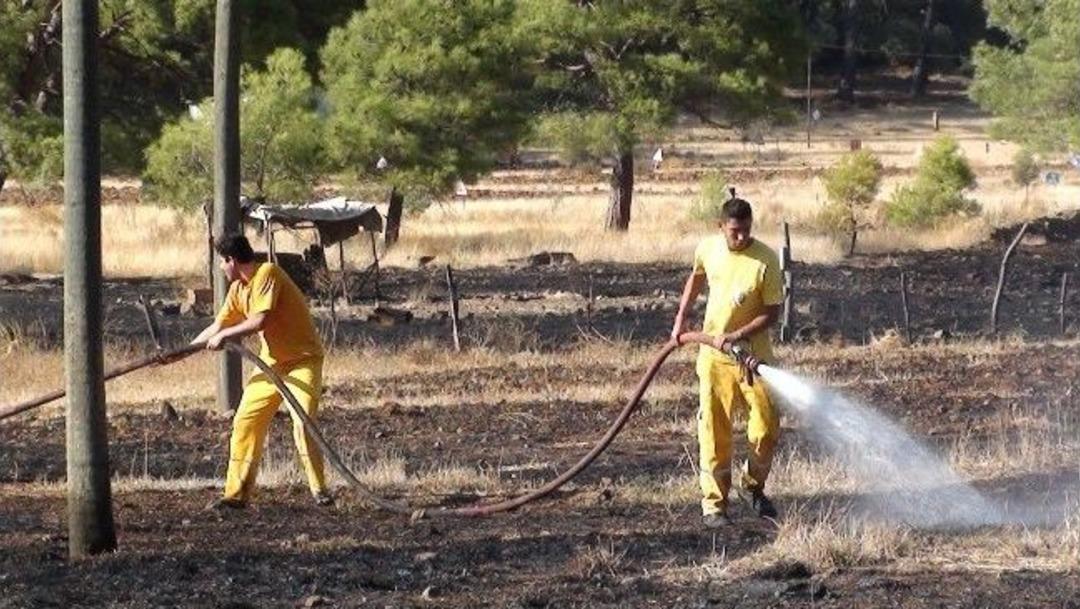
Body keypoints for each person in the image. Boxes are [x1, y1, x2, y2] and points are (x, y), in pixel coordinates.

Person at [193, 233, 332, 509]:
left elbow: (259, 321)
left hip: (303, 362)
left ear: (231, 260)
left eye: (222, 262)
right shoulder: (237, 290)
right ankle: (236, 495)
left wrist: (225, 336)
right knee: (245, 421)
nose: (221, 268)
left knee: (303, 422)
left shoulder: (267, 273)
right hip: (272, 365)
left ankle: (320, 490)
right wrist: (180, 352)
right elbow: (217, 327)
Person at [670, 196, 783, 528]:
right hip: (714, 359)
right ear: (721, 227)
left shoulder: (765, 260)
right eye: (735, 231)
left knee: (766, 427)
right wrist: (681, 318)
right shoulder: (708, 249)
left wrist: (738, 336)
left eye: (747, 230)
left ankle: (752, 487)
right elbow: (696, 277)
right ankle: (714, 505)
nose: (741, 237)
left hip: (754, 359)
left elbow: (772, 312)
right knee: (713, 430)